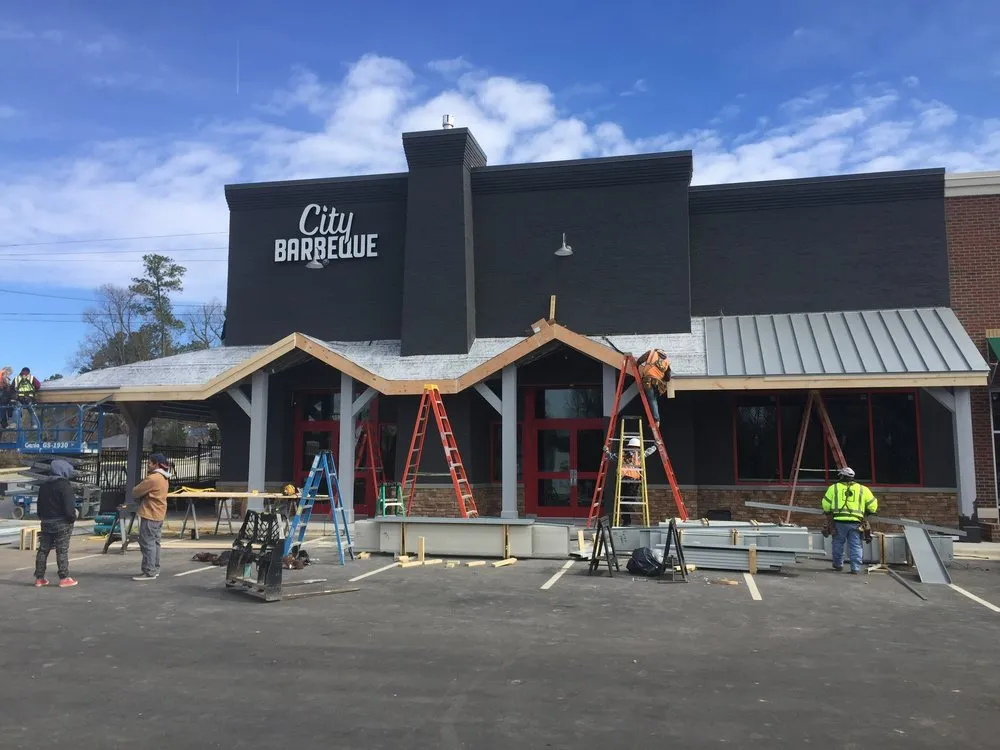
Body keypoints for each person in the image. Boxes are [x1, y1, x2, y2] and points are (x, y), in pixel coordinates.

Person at [821, 466, 879, 574]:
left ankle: (838, 564)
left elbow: (826, 505)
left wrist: (828, 512)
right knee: (856, 545)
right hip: (856, 522)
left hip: (839, 522)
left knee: (838, 543)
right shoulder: (863, 489)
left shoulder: (833, 488)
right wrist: (868, 512)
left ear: (842, 476)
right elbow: (872, 506)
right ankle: (855, 568)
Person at [33, 459, 79, 588]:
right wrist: (72, 518)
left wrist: (43, 518)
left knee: (43, 550)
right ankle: (64, 578)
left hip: (46, 522)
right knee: (62, 550)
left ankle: (39, 578)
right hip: (62, 523)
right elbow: (69, 508)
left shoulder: (44, 486)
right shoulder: (65, 485)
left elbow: (39, 506)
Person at [130, 453, 171, 581]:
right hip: (159, 514)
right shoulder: (164, 477)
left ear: (156, 464)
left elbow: (135, 492)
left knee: (147, 543)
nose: (147, 465)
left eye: (149, 463)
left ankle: (149, 571)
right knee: (155, 543)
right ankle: (155, 568)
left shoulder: (153, 478)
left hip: (150, 513)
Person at [603, 436, 656, 526]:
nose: (634, 449)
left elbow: (648, 452)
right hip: (623, 481)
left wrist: (655, 446)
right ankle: (626, 521)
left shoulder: (639, 456)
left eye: (635, 448)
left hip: (633, 483)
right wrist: (606, 451)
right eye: (632, 447)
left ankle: (627, 521)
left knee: (627, 503)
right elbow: (612, 457)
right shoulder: (623, 455)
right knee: (621, 502)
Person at [637, 349, 670, 428]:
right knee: (653, 400)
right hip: (658, 383)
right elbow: (668, 377)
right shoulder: (667, 361)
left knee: (651, 400)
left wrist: (637, 364)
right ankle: (656, 420)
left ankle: (656, 420)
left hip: (648, 380)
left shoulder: (651, 353)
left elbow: (640, 360)